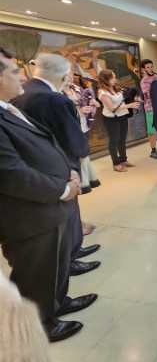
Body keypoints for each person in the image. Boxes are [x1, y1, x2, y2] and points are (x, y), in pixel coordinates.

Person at [0, 48, 92, 342]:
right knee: (35, 273)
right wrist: (63, 188)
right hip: (30, 212)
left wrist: (68, 171)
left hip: (51, 205)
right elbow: (12, 173)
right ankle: (38, 326)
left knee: (54, 265)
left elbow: (46, 144)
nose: (23, 76)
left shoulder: (10, 107)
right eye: (14, 72)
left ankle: (57, 303)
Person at [12, 53, 100, 276]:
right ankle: (69, 258)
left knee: (66, 214)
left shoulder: (21, 94)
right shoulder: (56, 99)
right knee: (66, 213)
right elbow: (75, 139)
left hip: (36, 167)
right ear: (63, 76)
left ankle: (73, 249)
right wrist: (82, 153)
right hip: (62, 166)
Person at [97, 69, 141, 172]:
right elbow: (112, 107)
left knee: (122, 140)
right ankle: (116, 163)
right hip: (112, 118)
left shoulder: (115, 88)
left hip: (122, 116)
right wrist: (130, 105)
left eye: (114, 77)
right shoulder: (102, 92)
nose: (114, 79)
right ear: (105, 79)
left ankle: (123, 160)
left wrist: (134, 98)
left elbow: (123, 99)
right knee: (114, 141)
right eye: (112, 78)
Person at [139, 58, 157, 159]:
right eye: (148, 67)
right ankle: (153, 150)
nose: (150, 69)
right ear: (144, 69)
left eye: (151, 66)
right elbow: (147, 95)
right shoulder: (144, 81)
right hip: (150, 108)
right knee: (152, 131)